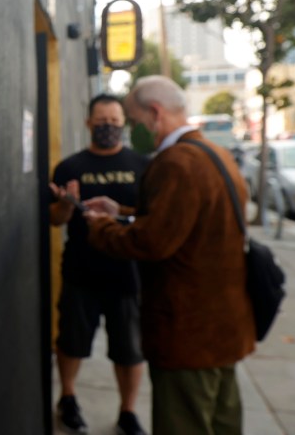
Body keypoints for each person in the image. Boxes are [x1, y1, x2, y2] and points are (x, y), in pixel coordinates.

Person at [84, 76, 255, 435]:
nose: (132, 130)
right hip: (223, 328)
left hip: (187, 333)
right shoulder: (215, 154)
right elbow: (182, 222)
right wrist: (122, 211)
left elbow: (150, 243)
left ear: (155, 113)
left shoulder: (176, 163)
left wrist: (100, 226)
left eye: (132, 121)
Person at [49, 93, 149, 435]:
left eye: (114, 121)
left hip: (127, 273)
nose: (107, 127)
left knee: (129, 349)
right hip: (81, 271)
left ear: (124, 124)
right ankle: (68, 397)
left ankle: (128, 411)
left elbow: (153, 217)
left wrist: (120, 212)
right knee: (72, 342)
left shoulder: (143, 166)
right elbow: (55, 219)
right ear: (89, 123)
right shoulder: (70, 167)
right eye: (101, 121)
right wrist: (66, 205)